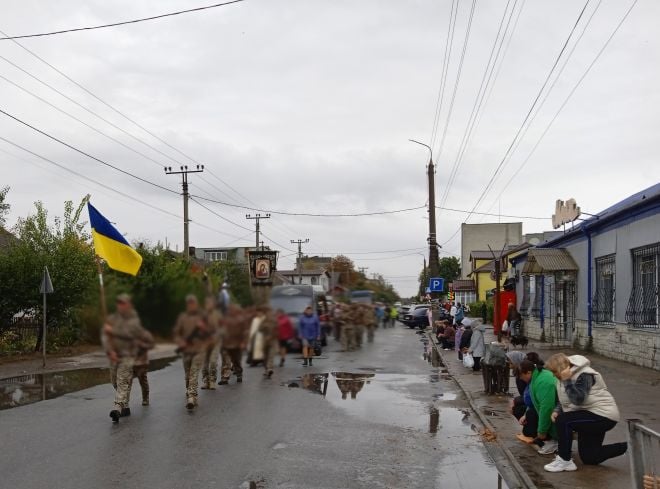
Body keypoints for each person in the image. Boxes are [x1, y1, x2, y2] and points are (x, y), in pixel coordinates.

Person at [543, 353, 627, 473]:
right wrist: (557, 410)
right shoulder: (563, 377)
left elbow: (578, 399)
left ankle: (564, 460)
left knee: (564, 421)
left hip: (603, 416)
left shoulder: (585, 374)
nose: (553, 375)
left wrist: (567, 381)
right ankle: (630, 447)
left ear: (560, 369)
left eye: (554, 371)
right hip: (588, 415)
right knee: (590, 458)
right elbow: (565, 399)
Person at [102, 293, 153, 423]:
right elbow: (105, 337)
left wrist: (112, 331)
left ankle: (117, 408)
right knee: (114, 382)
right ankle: (125, 406)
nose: (120, 305)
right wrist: (109, 351)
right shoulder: (112, 319)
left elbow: (129, 334)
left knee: (122, 381)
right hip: (114, 356)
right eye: (119, 303)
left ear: (129, 305)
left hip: (128, 356)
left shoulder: (134, 320)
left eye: (123, 303)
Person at [173, 294, 210, 410]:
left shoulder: (202, 317)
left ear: (196, 304)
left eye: (193, 303)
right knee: (188, 375)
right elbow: (176, 333)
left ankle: (192, 397)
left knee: (194, 373)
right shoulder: (182, 317)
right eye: (189, 303)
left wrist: (203, 328)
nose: (191, 305)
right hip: (186, 350)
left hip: (199, 350)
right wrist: (180, 342)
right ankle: (189, 391)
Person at [517, 358, 559, 455]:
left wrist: (542, 431)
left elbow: (546, 408)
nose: (520, 379)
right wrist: (525, 414)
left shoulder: (543, 381)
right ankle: (547, 439)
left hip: (557, 413)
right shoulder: (536, 377)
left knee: (531, 417)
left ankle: (552, 441)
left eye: (521, 376)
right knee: (527, 418)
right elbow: (534, 401)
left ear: (528, 372)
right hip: (552, 411)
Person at [219, 304, 250, 385]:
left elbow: (245, 332)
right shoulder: (225, 319)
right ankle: (225, 378)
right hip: (226, 344)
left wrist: (244, 342)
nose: (230, 311)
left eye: (232, 309)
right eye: (230, 309)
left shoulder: (241, 320)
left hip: (236, 344)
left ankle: (239, 373)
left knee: (236, 361)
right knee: (226, 360)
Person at [201, 297, 222, 390]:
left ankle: (212, 380)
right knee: (205, 363)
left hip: (215, 341)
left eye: (210, 303)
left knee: (213, 361)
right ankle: (206, 381)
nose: (208, 305)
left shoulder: (218, 315)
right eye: (207, 303)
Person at [130, 327, 155, 406]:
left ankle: (145, 398)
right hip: (130, 362)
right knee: (126, 382)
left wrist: (142, 345)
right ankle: (124, 401)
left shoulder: (145, 333)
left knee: (143, 381)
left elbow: (151, 345)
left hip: (142, 362)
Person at [257, 306, 278, 378]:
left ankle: (270, 368)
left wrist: (273, 336)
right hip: (265, 341)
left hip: (273, 341)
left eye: (270, 312)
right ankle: (266, 369)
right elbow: (259, 329)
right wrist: (265, 326)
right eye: (268, 313)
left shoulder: (275, 321)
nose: (269, 314)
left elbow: (278, 330)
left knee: (271, 356)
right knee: (265, 356)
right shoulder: (264, 321)